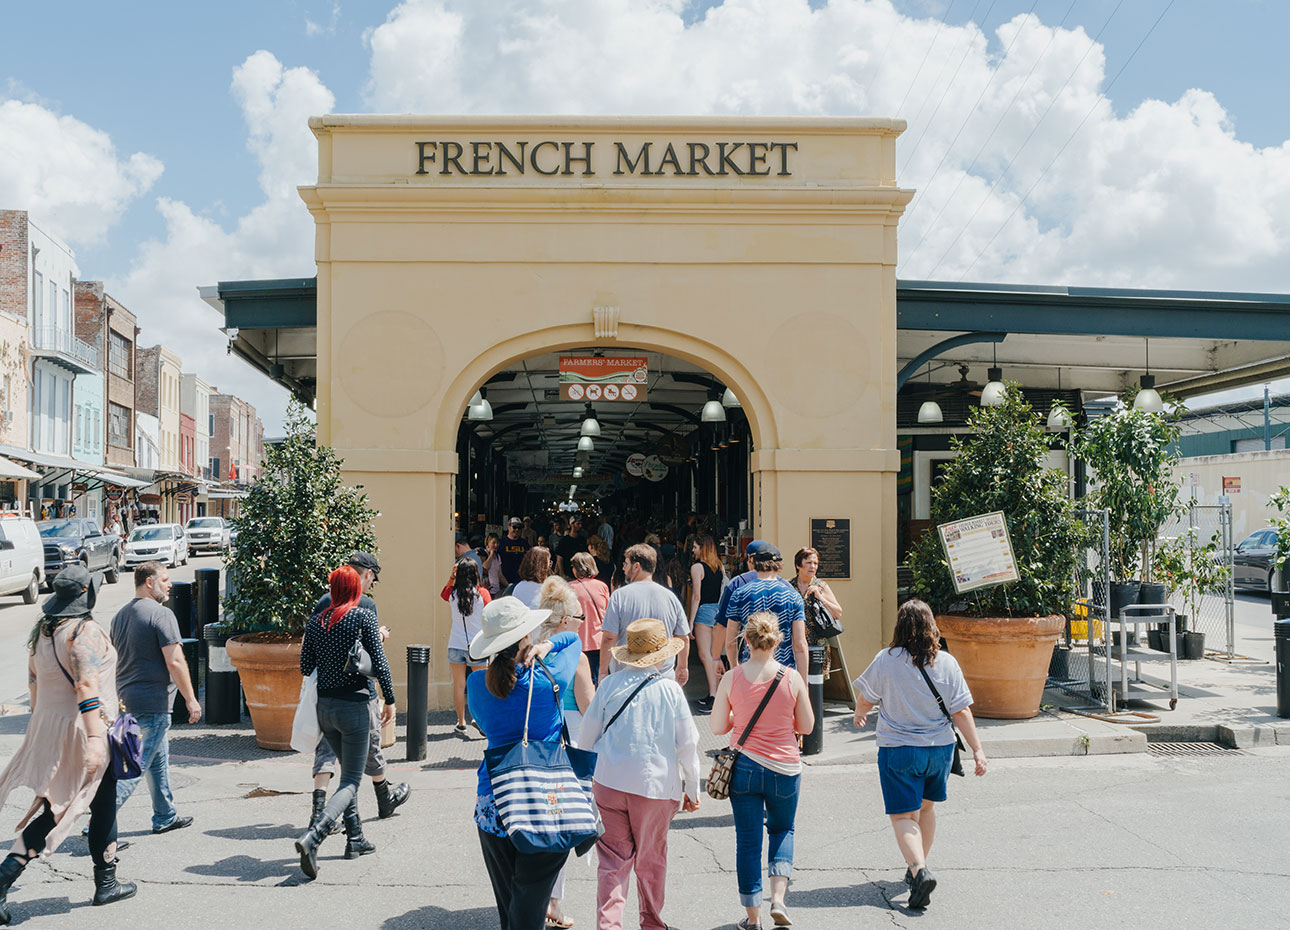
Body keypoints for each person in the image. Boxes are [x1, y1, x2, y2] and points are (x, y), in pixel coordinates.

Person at [0, 565, 136, 922]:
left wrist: (42, 721)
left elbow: (33, 681)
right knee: (57, 809)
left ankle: (107, 881)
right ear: (85, 594)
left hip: (53, 724)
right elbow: (86, 687)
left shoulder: (44, 630)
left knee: (101, 802)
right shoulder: (83, 631)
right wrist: (93, 738)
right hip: (85, 729)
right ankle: (2, 879)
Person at [852, 599, 987, 910]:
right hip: (939, 750)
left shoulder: (886, 659)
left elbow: (865, 698)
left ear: (900, 626)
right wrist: (978, 750)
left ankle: (919, 870)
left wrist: (860, 714)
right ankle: (917, 868)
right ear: (931, 627)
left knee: (902, 816)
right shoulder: (947, 662)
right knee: (925, 810)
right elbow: (961, 711)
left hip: (899, 750)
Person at [467, 596, 581, 930]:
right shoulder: (550, 678)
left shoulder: (477, 684)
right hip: (545, 802)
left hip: (494, 800)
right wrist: (547, 644)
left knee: (510, 905)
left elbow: (486, 723)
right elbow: (573, 638)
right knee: (529, 907)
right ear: (525, 639)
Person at [579, 619, 701, 930]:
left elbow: (586, 737)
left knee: (612, 862)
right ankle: (651, 923)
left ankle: (609, 925)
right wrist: (692, 788)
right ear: (661, 655)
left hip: (608, 782)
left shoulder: (608, 685)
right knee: (651, 860)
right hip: (654, 787)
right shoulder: (670, 691)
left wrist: (584, 781)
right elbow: (687, 744)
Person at [710, 612, 814, 930]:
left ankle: (753, 918)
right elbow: (807, 726)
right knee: (782, 831)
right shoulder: (791, 677)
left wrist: (736, 719)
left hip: (745, 767)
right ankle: (778, 900)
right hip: (785, 767)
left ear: (746, 640)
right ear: (777, 639)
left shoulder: (732, 677)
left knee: (748, 842)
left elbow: (716, 727)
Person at [294, 565, 397, 878]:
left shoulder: (316, 622)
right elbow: (379, 663)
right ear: (354, 589)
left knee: (346, 779)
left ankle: (355, 839)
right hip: (355, 707)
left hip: (325, 709)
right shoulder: (362, 617)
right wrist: (390, 699)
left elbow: (304, 666)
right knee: (351, 780)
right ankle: (315, 836)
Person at [310, 553, 410, 833]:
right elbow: (373, 658)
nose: (371, 584)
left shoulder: (322, 604)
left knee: (327, 753)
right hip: (357, 697)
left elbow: (308, 660)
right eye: (372, 578)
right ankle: (382, 801)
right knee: (363, 758)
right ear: (366, 574)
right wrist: (390, 699)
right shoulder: (365, 607)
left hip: (326, 697)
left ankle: (326, 817)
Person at [110, 562, 201, 835]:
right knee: (132, 769)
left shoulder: (119, 616)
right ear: (149, 582)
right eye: (165, 579)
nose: (170, 584)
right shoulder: (161, 615)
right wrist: (191, 699)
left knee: (156, 761)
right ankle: (98, 826)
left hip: (125, 702)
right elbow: (175, 661)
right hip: (152, 704)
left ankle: (165, 815)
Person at [534, 577, 596, 930]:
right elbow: (589, 708)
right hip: (571, 739)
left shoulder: (529, 647)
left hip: (538, 741)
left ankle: (540, 896)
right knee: (563, 822)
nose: (581, 624)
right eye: (578, 618)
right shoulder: (577, 658)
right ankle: (554, 901)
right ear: (563, 621)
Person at [599, 544, 690, 685]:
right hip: (663, 677)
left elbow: (609, 637)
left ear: (636, 566)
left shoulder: (619, 596)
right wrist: (682, 667)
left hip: (625, 677)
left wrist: (603, 671)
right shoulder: (670, 597)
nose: (623, 568)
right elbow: (683, 637)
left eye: (626, 564)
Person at [724, 545, 808, 674]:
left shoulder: (739, 594)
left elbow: (730, 642)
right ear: (779, 564)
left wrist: (735, 670)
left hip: (750, 671)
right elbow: (800, 645)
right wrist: (803, 684)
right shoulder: (793, 596)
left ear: (753, 563)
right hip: (784, 672)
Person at [445, 557, 491, 734]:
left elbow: (444, 592)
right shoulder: (482, 594)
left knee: (459, 685)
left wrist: (452, 576)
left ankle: (461, 721)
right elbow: (489, 614)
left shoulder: (452, 594)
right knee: (480, 685)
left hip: (456, 643)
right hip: (477, 645)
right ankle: (479, 720)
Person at [790, 547, 843, 676]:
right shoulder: (788, 586)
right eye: (808, 563)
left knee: (815, 688)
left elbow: (838, 613)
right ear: (798, 565)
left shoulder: (821, 586)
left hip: (817, 647)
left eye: (815, 563)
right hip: (794, 646)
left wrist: (821, 597)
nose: (812, 567)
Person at [688, 535, 726, 709]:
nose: (693, 550)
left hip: (703, 611)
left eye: (695, 547)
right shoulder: (719, 566)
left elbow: (696, 596)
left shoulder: (697, 567)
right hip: (717, 611)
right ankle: (717, 693)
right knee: (714, 654)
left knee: (705, 655)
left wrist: (690, 621)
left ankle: (713, 695)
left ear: (702, 548)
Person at [569, 552, 610, 683]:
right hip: (599, 640)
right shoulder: (602, 586)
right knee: (599, 678)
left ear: (576, 568)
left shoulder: (569, 588)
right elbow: (608, 613)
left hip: (577, 641)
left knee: (581, 681)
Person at [712, 540, 768, 631]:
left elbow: (722, 624)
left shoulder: (737, 583)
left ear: (750, 559)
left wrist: (717, 645)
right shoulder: (785, 586)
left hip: (745, 642)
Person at [499, 518, 531, 587]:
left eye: (519, 528)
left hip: (521, 581)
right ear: (508, 527)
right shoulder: (501, 542)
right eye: (514, 527)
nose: (517, 530)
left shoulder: (525, 543)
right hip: (504, 581)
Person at [482, 533, 504, 597]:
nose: (496, 545)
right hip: (488, 589)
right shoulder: (484, 554)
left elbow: (500, 574)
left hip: (497, 589)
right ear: (488, 543)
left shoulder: (497, 556)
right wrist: (491, 554)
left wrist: (508, 585)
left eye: (497, 543)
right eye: (493, 543)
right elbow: (485, 568)